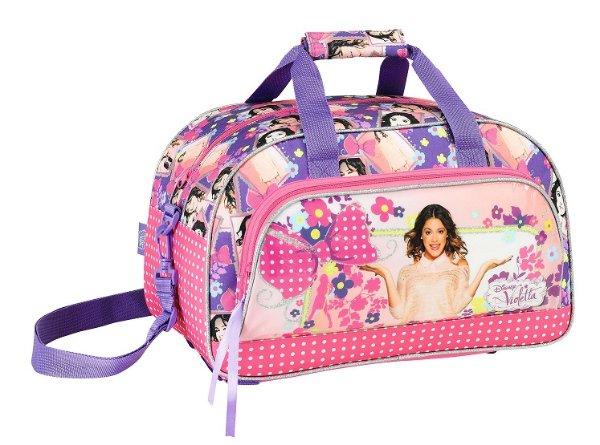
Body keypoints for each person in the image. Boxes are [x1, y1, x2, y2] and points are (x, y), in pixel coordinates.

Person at [360, 204, 511, 323]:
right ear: (421, 235)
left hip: (447, 336)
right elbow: (398, 313)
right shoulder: (407, 271)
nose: (434, 239)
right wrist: (386, 274)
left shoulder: (458, 267)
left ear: (447, 234)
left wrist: (484, 269)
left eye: (440, 231)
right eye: (428, 232)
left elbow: (457, 305)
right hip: (412, 339)